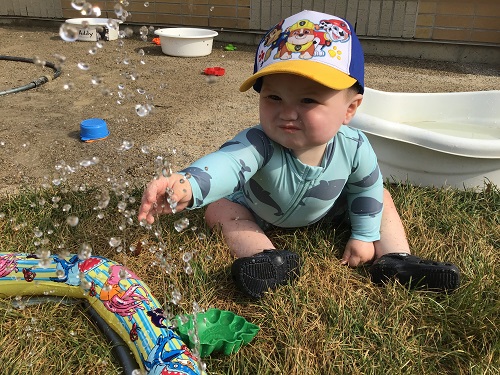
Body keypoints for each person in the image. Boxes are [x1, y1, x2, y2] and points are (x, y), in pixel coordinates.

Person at [138, 10, 460, 298]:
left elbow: (365, 188)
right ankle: (267, 258)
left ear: (349, 109)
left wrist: (363, 234)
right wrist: (189, 184)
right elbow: (227, 165)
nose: (287, 113)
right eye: (274, 97)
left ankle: (396, 260)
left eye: (307, 101)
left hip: (329, 208)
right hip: (258, 209)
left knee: (381, 199)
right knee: (220, 210)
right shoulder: (259, 142)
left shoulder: (355, 146)